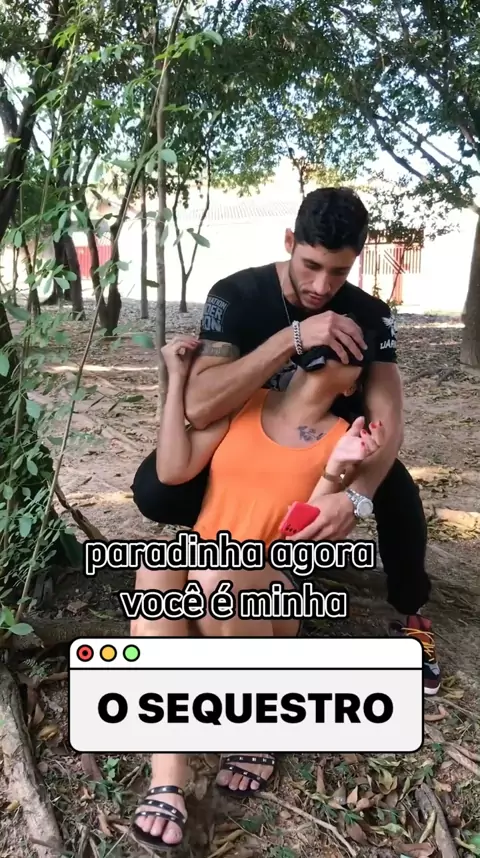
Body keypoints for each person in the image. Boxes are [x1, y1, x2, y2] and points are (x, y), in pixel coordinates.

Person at [131, 186, 440, 700]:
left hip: (334, 438)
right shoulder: (238, 294)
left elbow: (388, 417)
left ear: (356, 258)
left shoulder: (369, 313)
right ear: (290, 241)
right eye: (311, 265)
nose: (322, 286)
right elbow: (200, 408)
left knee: (399, 494)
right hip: (249, 421)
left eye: (338, 272)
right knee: (157, 491)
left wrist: (355, 495)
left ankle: (413, 616)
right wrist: (292, 339)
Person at [131, 331, 385, 852]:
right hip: (200, 575)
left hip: (269, 590)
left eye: (353, 352)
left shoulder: (345, 436)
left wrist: (337, 469)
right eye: (332, 339)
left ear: (351, 385)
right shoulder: (245, 403)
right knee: (154, 567)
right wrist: (176, 378)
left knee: (223, 574)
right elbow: (172, 469)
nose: (338, 347)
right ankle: (168, 777)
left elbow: (302, 543)